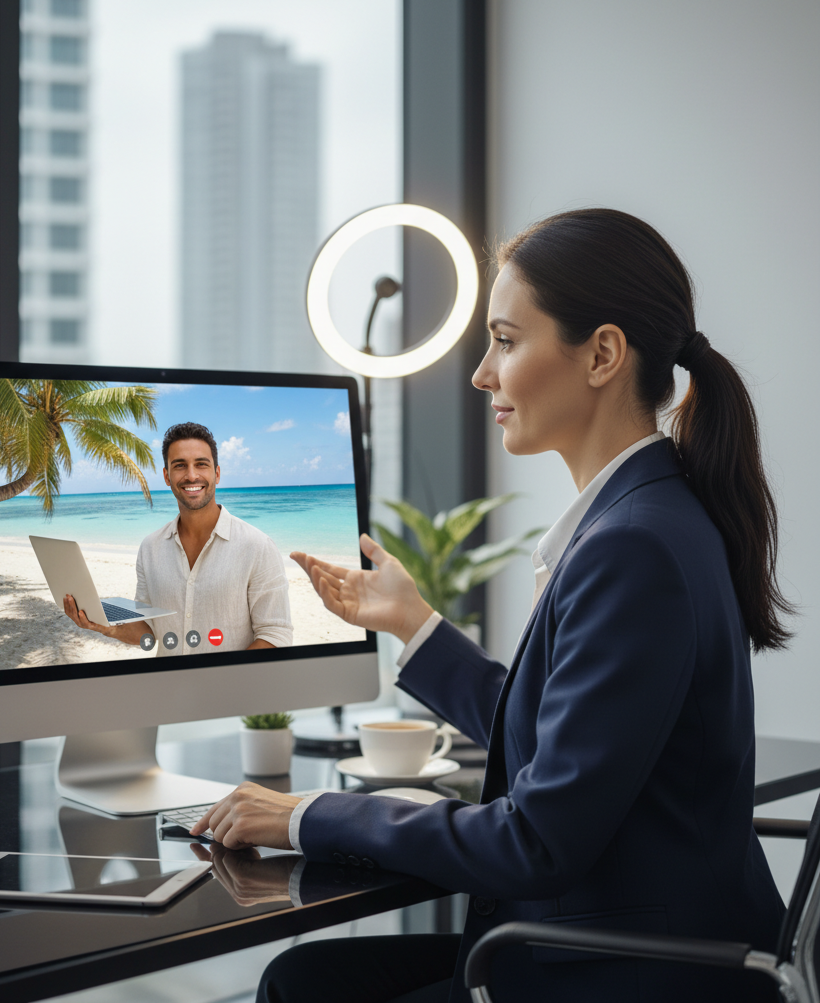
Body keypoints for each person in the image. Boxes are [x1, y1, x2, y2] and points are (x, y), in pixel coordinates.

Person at [191, 209, 794, 1003]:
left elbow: (535, 842)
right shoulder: (653, 513)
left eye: (506, 341)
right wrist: (413, 623)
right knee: (304, 978)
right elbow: (558, 732)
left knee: (303, 987)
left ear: (602, 355)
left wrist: (309, 814)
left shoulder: (631, 548)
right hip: (628, 941)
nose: (481, 375)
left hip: (629, 972)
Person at [65, 421, 293, 654]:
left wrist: (224, 675)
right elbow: (149, 630)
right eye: (180, 465)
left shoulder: (258, 547)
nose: (191, 476)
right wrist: (106, 627)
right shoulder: (150, 548)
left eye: (201, 464)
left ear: (217, 473)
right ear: (167, 476)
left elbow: (276, 635)